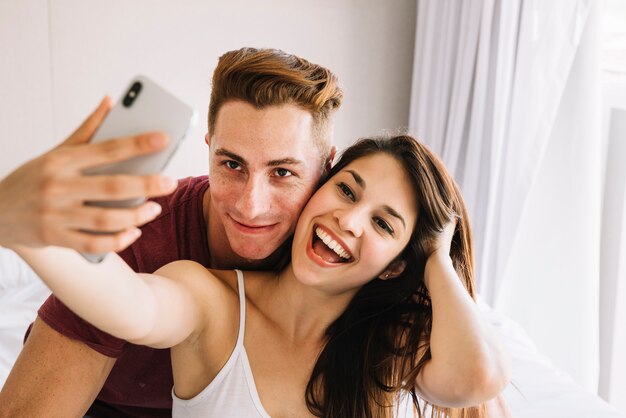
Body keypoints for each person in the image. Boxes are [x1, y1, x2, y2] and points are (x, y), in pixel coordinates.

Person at [9, 134, 511, 417]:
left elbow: (477, 380)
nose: (349, 221)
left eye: (383, 223)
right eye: (348, 191)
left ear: (398, 265)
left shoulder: (381, 347)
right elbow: (129, 306)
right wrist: (30, 233)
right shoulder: (212, 301)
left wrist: (440, 260)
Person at [0, 47, 342, 417]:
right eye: (231, 164)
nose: (251, 205)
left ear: (326, 169)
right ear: (209, 148)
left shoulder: (332, 259)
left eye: (282, 173)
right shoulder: (134, 237)